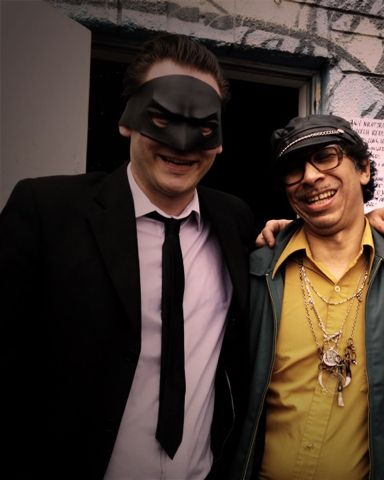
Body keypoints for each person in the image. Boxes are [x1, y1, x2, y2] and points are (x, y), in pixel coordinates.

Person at [0, 34, 255, 478]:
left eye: (202, 126)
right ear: (126, 121)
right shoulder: (47, 211)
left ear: (218, 140)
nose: (182, 143)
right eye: (161, 118)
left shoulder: (236, 222)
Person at [231, 114, 384, 479]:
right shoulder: (254, 272)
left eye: (325, 156)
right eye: (293, 168)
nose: (309, 177)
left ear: (364, 170)